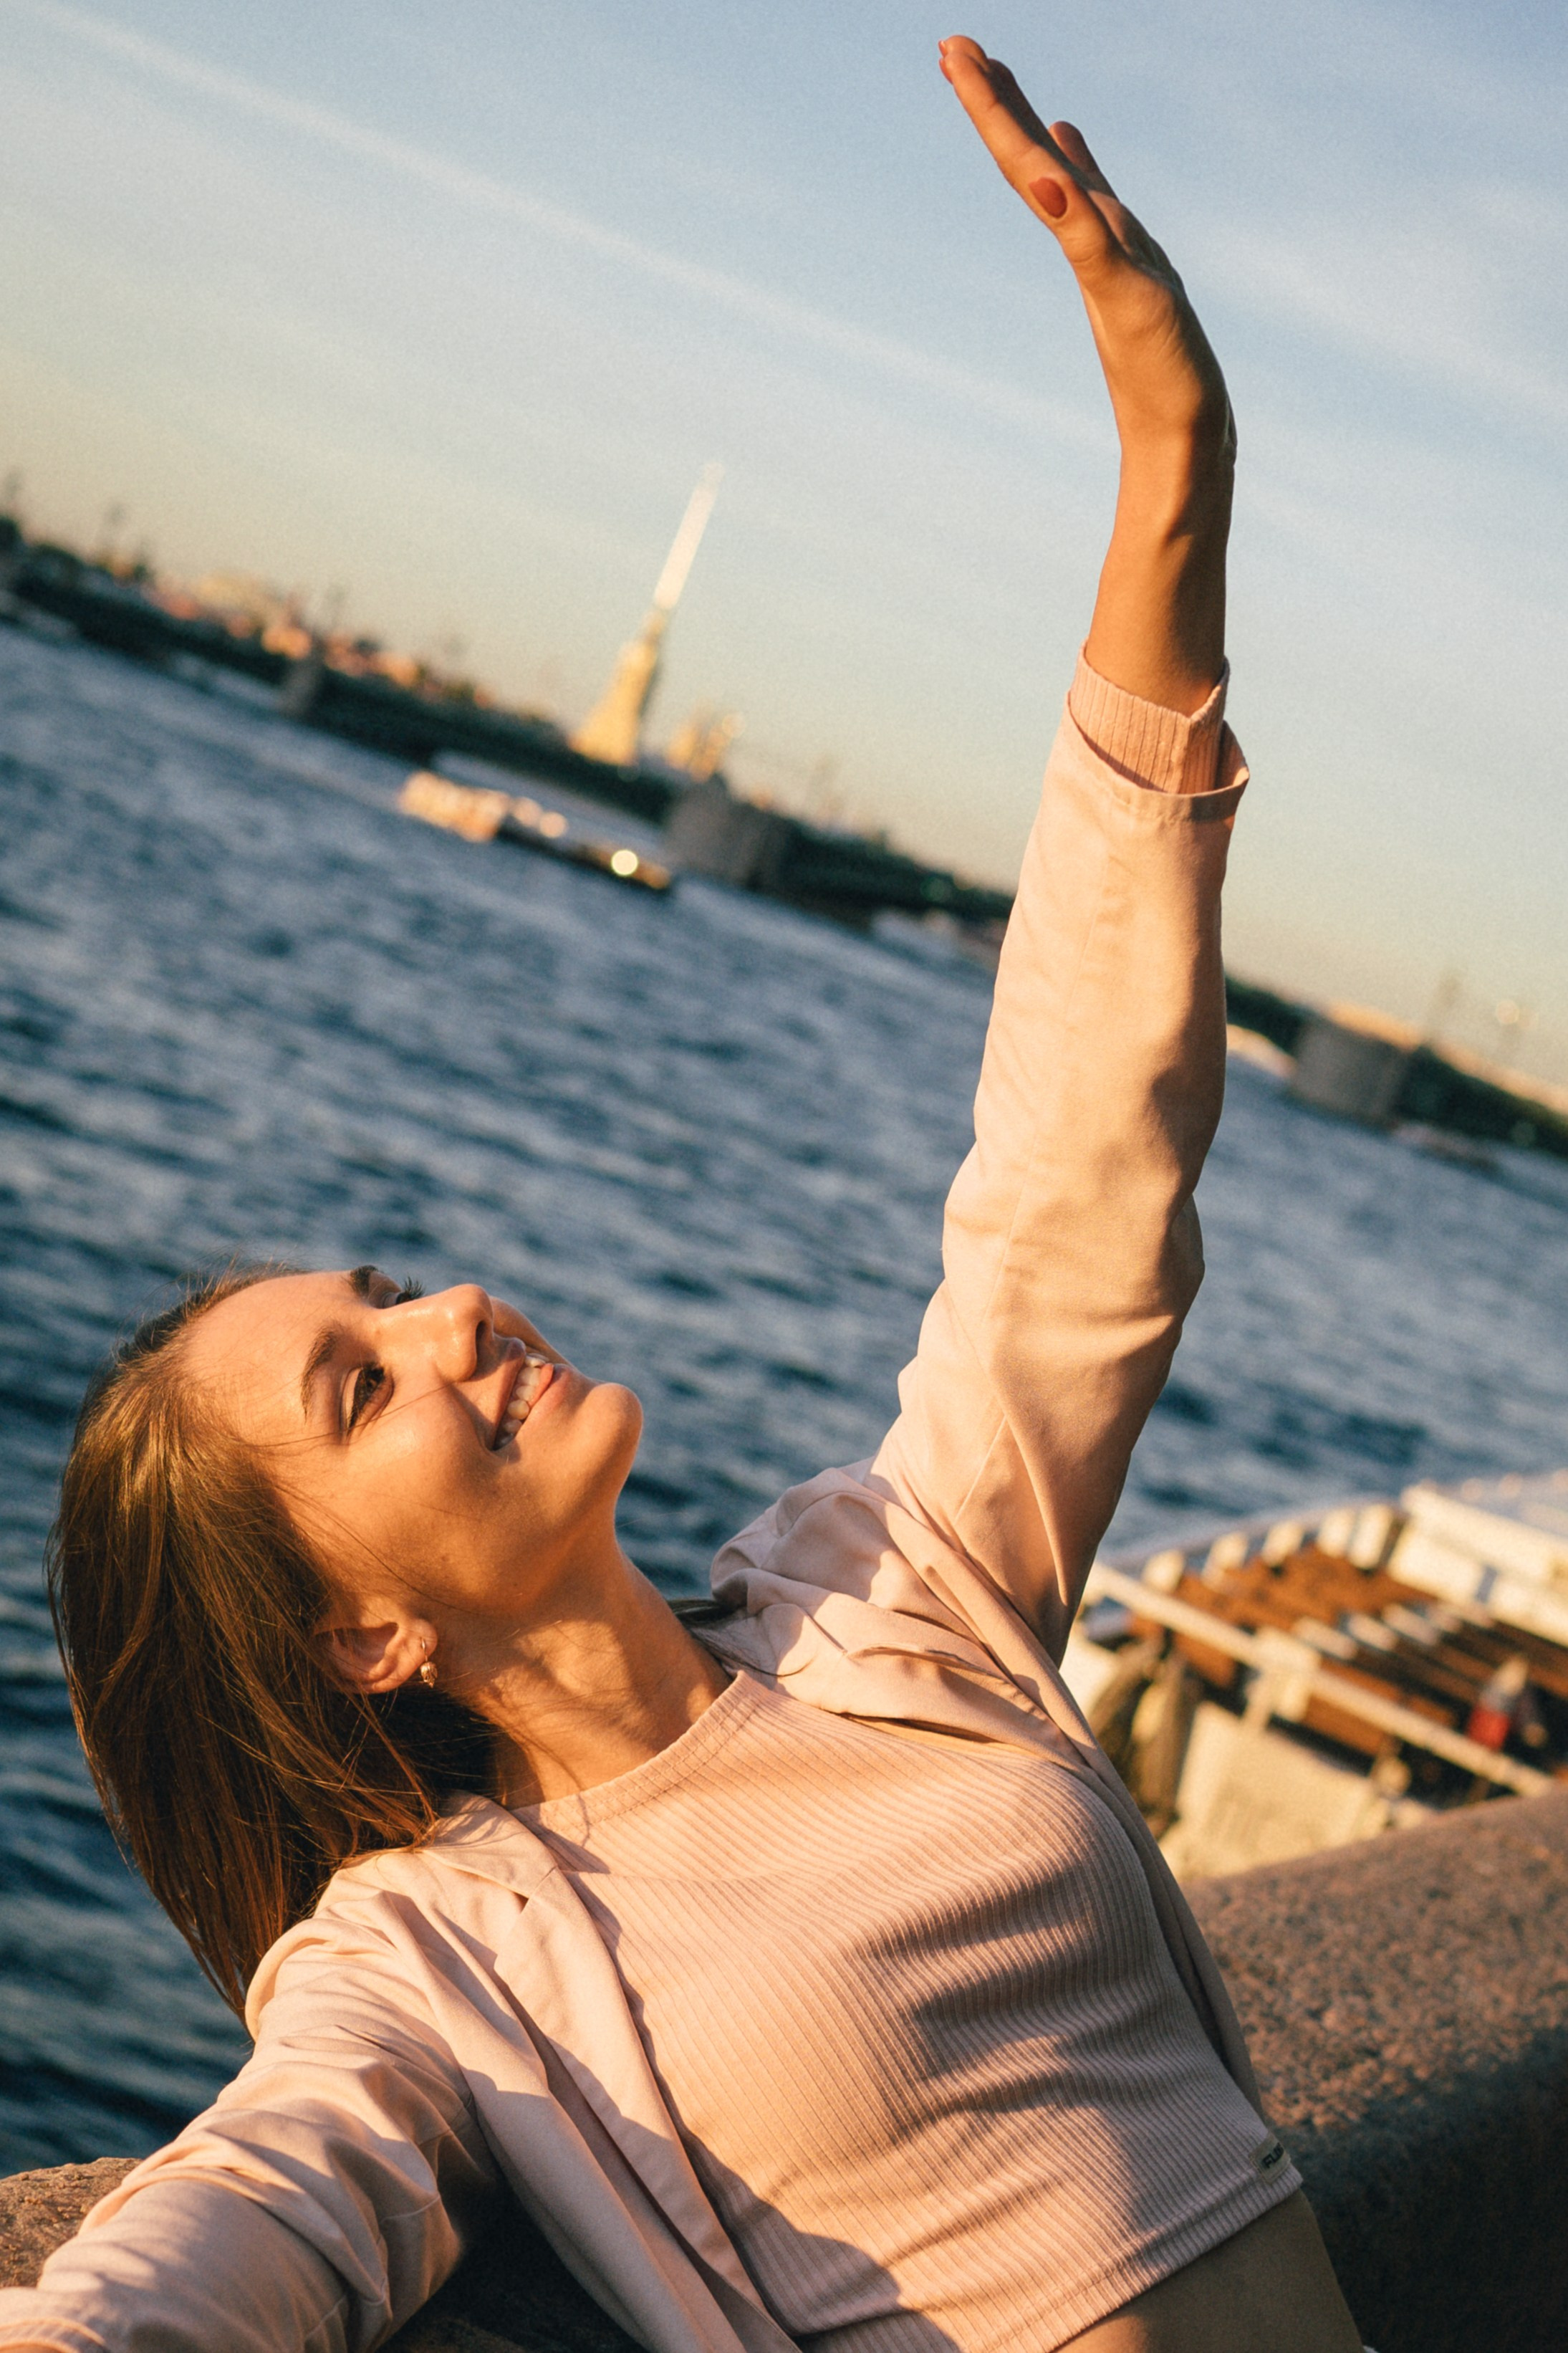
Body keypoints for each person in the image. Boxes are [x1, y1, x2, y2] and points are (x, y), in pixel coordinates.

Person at [0, 38, 1370, 2353]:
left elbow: (1074, 1184)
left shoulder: (889, 1597)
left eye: (396, 1286)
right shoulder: (439, 1950)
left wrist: (1171, 475)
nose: (455, 1319)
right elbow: (256, 2212)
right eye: (362, 1381)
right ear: (359, 1640)